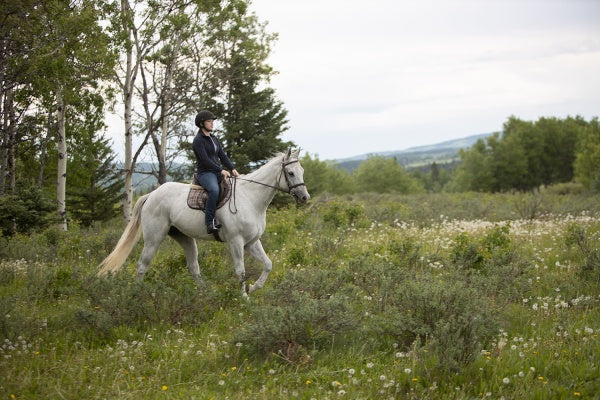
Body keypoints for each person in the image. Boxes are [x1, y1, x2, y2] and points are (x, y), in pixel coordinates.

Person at [192, 110, 239, 233]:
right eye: (209, 121)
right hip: (205, 173)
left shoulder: (213, 138)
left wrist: (232, 168)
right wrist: (221, 170)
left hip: (216, 172)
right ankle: (209, 223)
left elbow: (222, 155)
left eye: (212, 121)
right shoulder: (198, 140)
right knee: (214, 190)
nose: (212, 124)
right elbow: (205, 160)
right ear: (202, 124)